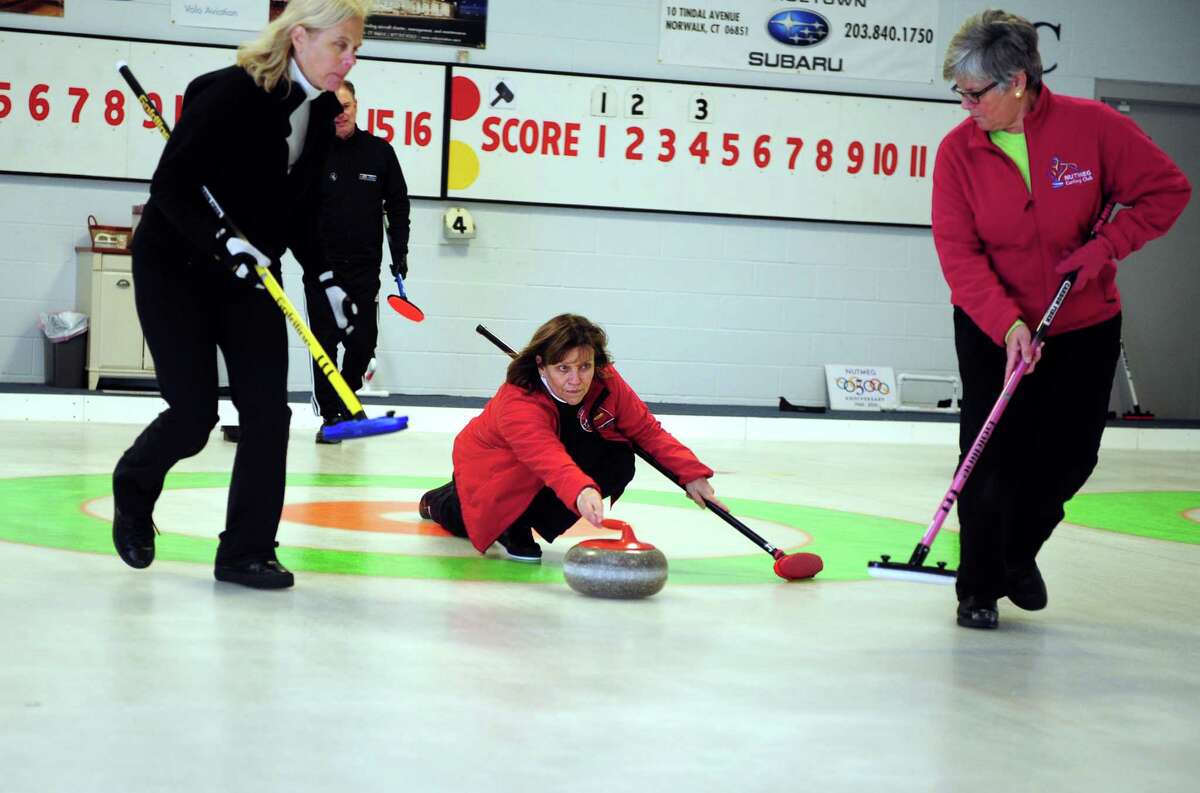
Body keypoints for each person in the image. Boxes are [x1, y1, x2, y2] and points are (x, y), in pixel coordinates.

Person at [932, 10, 1191, 628]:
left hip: (1083, 322)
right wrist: (1007, 325)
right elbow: (959, 254)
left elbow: (1166, 190)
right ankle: (978, 588)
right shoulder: (957, 153)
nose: (965, 105)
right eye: (959, 93)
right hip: (991, 325)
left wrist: (1106, 248)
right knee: (989, 456)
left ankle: (1017, 555)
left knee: (1071, 457)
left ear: (1018, 80)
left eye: (975, 93)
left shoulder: (1094, 128)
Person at [111, 0, 370, 589]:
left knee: (266, 413)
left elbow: (302, 210)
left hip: (251, 272)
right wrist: (223, 242)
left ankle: (246, 552)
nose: (350, 60)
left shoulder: (323, 111)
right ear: (300, 37)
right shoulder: (230, 92)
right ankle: (134, 484)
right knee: (195, 412)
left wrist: (326, 280)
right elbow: (172, 184)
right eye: (341, 46)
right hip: (176, 264)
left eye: (356, 49)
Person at [420, 314, 725, 562]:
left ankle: (522, 518)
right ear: (541, 364)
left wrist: (691, 474)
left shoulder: (605, 380)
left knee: (617, 460)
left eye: (584, 366)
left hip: (547, 464)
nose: (576, 380)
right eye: (563, 368)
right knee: (477, 510)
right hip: (496, 467)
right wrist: (581, 490)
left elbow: (645, 429)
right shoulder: (518, 403)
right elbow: (547, 457)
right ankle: (439, 502)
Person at [305, 78, 411, 443]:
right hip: (321, 269)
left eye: (346, 105)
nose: (341, 113)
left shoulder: (379, 153)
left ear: (356, 106)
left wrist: (400, 253)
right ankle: (332, 414)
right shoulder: (311, 152)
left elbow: (398, 206)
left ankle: (347, 398)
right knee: (324, 343)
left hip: (365, 268)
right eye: (334, 108)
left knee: (363, 342)